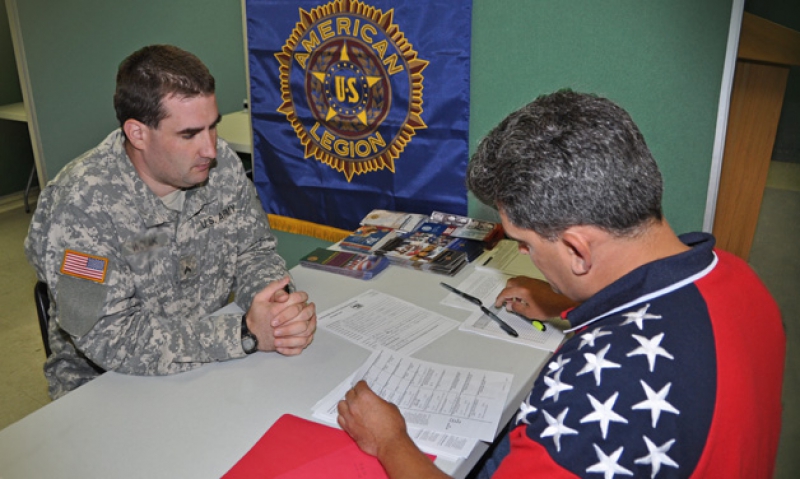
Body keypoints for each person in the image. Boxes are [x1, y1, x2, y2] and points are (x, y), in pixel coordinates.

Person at [337, 91, 785, 478]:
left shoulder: (604, 383)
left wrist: (390, 441)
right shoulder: (737, 275)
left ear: (577, 250)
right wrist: (563, 303)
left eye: (525, 244)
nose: (527, 257)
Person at [25, 45, 317, 400]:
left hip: (211, 365)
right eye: (189, 134)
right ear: (138, 133)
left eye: (213, 127)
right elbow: (106, 336)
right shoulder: (81, 203)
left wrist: (275, 306)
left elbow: (253, 250)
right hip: (108, 386)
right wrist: (243, 332)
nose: (210, 148)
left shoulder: (219, 164)